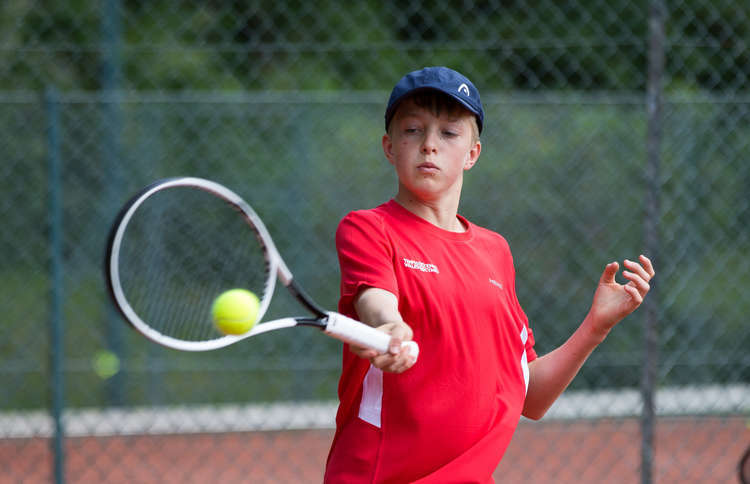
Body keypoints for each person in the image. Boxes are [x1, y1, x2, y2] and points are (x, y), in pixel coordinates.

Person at [323, 66, 655, 483]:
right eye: (412, 130)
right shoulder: (369, 228)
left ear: (472, 154)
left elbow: (529, 395)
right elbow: (375, 299)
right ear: (390, 147)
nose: (429, 145)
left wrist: (596, 326)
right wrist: (389, 327)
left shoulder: (495, 251)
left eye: (448, 133)